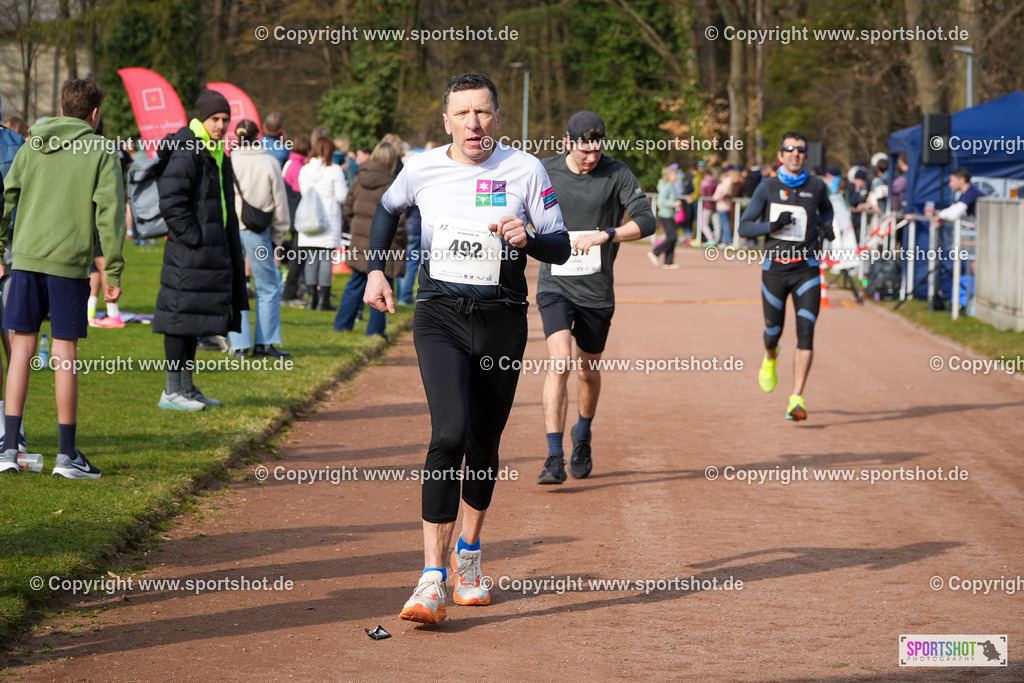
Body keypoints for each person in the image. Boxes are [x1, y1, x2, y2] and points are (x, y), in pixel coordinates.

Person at [362, 72, 569, 623]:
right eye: (463, 114)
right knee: (448, 432)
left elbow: (561, 246)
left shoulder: (526, 169)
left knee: (483, 441)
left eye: (482, 112)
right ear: (447, 121)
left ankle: (469, 557)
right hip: (440, 315)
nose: (473, 124)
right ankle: (431, 578)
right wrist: (376, 270)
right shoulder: (422, 167)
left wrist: (530, 239)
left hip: (502, 318)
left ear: (496, 117)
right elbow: (386, 209)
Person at [0, 78, 125, 477]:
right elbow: (110, 215)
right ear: (94, 114)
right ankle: (66, 456)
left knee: (21, 349)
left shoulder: (32, 143)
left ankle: (8, 450)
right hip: (69, 265)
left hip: (25, 260)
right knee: (64, 354)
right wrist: (113, 270)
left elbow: (7, 197)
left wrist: (0, 247)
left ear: (61, 107)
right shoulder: (101, 150)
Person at [533, 110, 655, 485]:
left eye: (597, 150)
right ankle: (554, 456)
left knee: (587, 371)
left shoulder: (616, 173)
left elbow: (647, 220)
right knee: (560, 362)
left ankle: (582, 434)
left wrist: (608, 234)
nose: (591, 157)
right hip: (555, 283)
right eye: (584, 150)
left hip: (596, 290)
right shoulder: (544, 170)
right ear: (566, 143)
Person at [154, 89, 247, 411]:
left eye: (225, 119)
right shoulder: (188, 149)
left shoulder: (215, 150)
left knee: (192, 321)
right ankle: (171, 392)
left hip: (208, 252)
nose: (221, 125)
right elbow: (172, 201)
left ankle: (186, 388)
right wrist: (194, 237)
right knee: (178, 320)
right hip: (189, 253)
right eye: (215, 119)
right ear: (202, 119)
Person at [739, 132, 833, 422]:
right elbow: (744, 227)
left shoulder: (817, 186)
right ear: (781, 155)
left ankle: (796, 398)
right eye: (789, 149)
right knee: (773, 332)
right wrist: (772, 225)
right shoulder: (767, 187)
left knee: (806, 332)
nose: (795, 154)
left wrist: (826, 228)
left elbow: (827, 213)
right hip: (775, 270)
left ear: (806, 155)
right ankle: (770, 356)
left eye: (800, 150)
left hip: (806, 269)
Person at [228, 119, 292, 358]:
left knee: (235, 285)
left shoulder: (228, 160)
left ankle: (239, 343)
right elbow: (280, 203)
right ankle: (265, 344)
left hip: (231, 227)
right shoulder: (270, 162)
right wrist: (279, 235)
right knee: (268, 287)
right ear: (258, 136)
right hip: (258, 228)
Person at [334, 141, 405, 337]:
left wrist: (357, 226)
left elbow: (348, 207)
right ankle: (375, 331)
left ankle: (342, 325)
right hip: (383, 244)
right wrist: (399, 238)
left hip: (359, 240)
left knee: (355, 283)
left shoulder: (359, 178)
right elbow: (399, 219)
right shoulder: (392, 183)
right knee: (382, 286)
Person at [298, 136, 347, 310]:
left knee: (311, 259)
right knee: (326, 259)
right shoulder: (334, 170)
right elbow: (341, 196)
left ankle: (312, 299)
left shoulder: (305, 169)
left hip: (308, 217)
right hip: (328, 219)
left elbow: (303, 191)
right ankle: (323, 300)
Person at [649, 164, 680, 268]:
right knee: (672, 237)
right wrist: (673, 204)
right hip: (666, 215)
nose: (677, 176)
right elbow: (661, 201)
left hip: (670, 214)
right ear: (669, 176)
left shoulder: (670, 185)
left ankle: (668, 262)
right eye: (675, 174)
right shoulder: (667, 186)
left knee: (673, 237)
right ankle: (655, 252)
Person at [713, 165, 740, 246]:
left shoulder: (722, 185)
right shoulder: (731, 184)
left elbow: (715, 197)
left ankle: (726, 241)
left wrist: (718, 197)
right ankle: (727, 240)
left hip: (722, 207)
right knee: (727, 224)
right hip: (728, 206)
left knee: (724, 225)